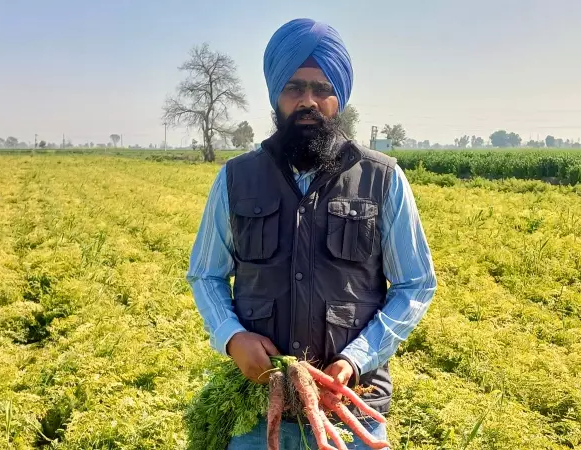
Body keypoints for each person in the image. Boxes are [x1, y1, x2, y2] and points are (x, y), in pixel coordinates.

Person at [187, 17, 437, 449]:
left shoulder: (382, 178)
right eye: (294, 88)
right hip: (256, 411)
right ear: (276, 97)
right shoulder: (235, 178)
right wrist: (232, 337)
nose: (308, 101)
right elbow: (205, 274)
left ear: (339, 98)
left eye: (321, 89)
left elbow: (415, 284)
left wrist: (356, 359)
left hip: (348, 410)